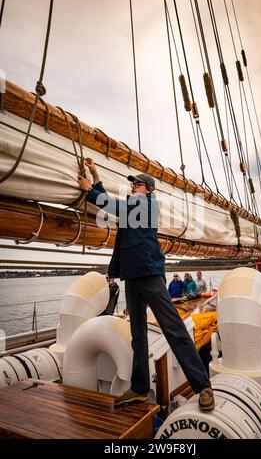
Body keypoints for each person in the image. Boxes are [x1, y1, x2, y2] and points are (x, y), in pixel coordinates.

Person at [78, 158, 214, 412]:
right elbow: (113, 204)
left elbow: (111, 205)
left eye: (138, 184)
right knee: (138, 335)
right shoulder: (134, 206)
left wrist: (89, 189)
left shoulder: (147, 203)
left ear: (148, 190)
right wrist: (96, 176)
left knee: (173, 328)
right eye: (133, 184)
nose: (134, 186)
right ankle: (140, 389)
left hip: (149, 274)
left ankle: (203, 386)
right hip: (132, 275)